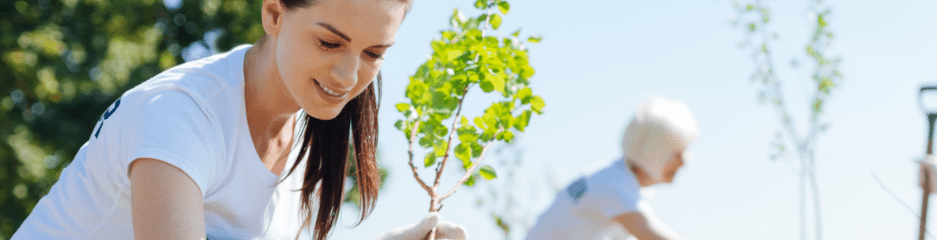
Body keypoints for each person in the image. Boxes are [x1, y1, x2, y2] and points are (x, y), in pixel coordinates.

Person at [11, 0, 467, 239]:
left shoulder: (304, 130)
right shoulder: (179, 116)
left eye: (373, 54)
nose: (348, 77)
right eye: (330, 43)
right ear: (273, 13)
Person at [525, 96, 699, 240]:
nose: (683, 162)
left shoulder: (614, 179)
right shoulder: (615, 185)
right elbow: (652, 235)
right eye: (676, 154)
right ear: (651, 153)